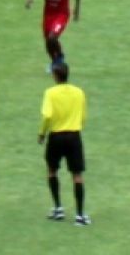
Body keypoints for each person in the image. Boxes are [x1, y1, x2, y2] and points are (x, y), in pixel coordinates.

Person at [39, 63, 89, 226]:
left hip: (56, 137)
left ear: (55, 75)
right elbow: (83, 116)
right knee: (77, 175)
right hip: (74, 136)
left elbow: (47, 116)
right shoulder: (79, 92)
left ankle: (58, 208)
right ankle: (80, 216)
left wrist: (42, 133)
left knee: (52, 171)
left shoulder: (50, 93)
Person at [26, 0, 83, 70]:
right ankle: (55, 62)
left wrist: (77, 8)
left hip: (61, 14)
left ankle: (60, 57)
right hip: (48, 14)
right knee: (48, 42)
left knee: (52, 37)